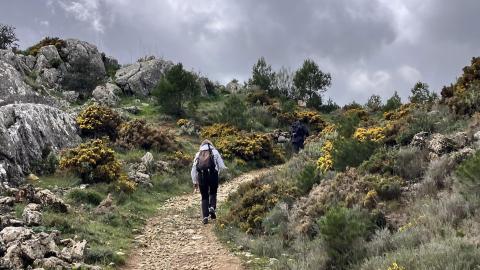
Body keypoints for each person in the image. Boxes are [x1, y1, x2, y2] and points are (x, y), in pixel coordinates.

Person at [191, 139, 227, 224]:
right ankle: (212, 207)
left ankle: (205, 217)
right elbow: (221, 166)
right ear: (211, 144)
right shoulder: (215, 152)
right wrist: (222, 170)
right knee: (213, 192)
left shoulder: (198, 154)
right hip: (213, 175)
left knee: (204, 196)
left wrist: (195, 182)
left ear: (201, 145)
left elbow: (193, 169)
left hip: (201, 176)